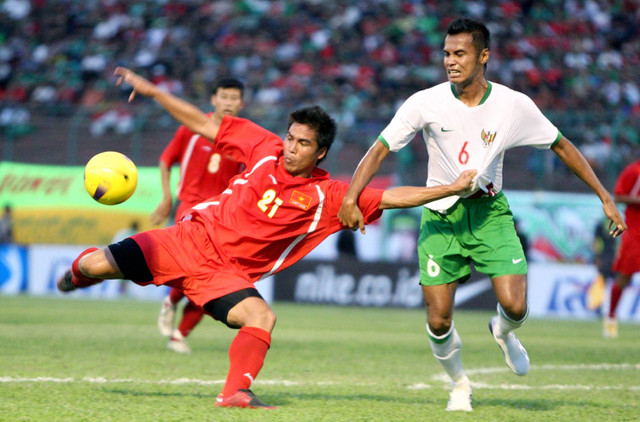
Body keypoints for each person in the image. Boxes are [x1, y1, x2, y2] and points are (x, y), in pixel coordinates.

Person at [56, 66, 477, 410]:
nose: (291, 148)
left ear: (321, 152)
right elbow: (204, 123)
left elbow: (390, 196)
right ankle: (77, 274)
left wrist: (451, 187)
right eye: (291, 138)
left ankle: (235, 392)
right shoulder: (263, 148)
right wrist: (152, 92)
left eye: (303, 144)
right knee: (93, 265)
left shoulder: (328, 196)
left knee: (262, 317)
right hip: (187, 239)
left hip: (224, 273)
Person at [337, 17, 626, 412]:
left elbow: (561, 146)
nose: (450, 62)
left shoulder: (513, 106)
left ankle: (504, 332)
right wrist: (351, 196)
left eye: (460, 54)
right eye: (446, 54)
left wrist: (604, 196)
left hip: (490, 213)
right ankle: (459, 384)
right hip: (440, 217)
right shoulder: (425, 102)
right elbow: (380, 148)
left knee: (516, 307)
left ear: (484, 56)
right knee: (439, 321)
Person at [153, 78, 247, 354]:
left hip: (222, 216)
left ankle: (178, 335)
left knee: (212, 280)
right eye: (224, 97)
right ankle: (171, 300)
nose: (229, 102)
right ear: (213, 99)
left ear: (241, 104)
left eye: (234, 98)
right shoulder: (192, 128)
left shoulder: (245, 138)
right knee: (192, 263)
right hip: (190, 207)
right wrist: (167, 197)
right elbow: (165, 160)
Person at [603, 159, 640, 338]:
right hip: (635, 232)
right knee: (625, 276)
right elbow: (618, 195)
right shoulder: (634, 171)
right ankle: (611, 317)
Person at [585, 217, 617, 314]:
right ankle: (598, 305)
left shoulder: (616, 223)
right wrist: (597, 256)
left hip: (612, 257)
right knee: (602, 282)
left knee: (612, 283)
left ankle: (611, 308)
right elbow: (596, 241)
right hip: (604, 257)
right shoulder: (601, 224)